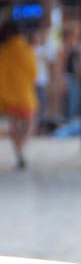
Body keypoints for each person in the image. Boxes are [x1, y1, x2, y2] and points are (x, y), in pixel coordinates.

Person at [0, 21, 37, 169]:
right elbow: (33, 71)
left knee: (13, 124)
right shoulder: (25, 47)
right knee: (30, 123)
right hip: (24, 94)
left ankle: (17, 150)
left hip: (8, 95)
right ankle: (22, 147)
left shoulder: (3, 50)